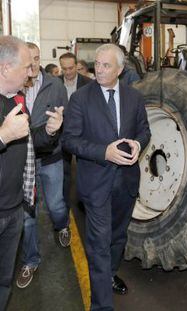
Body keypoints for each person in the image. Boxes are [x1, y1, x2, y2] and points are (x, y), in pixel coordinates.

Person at [62, 43, 150, 311]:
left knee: (117, 236)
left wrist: (138, 143)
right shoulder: (81, 98)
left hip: (126, 182)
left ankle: (109, 274)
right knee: (98, 244)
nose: (98, 69)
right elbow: (69, 141)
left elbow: (144, 130)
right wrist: (104, 152)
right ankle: (101, 306)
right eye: (97, 64)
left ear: (120, 70)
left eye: (106, 65)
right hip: (96, 183)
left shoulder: (135, 97)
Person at [0, 35, 63, 311]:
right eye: (26, 66)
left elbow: (26, 143)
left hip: (14, 208)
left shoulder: (16, 99)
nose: (31, 71)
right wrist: (2, 136)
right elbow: (8, 138)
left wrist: (49, 132)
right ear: (5, 68)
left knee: (3, 281)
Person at [15, 42, 70, 289]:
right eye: (29, 59)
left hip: (50, 158)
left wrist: (55, 133)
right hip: (22, 160)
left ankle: (62, 225)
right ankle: (31, 260)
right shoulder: (14, 86)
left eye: (37, 58)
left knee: (56, 204)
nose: (34, 63)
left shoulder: (55, 85)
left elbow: (62, 118)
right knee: (28, 214)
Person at [59, 52, 92, 207]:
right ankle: (65, 204)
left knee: (85, 170)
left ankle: (83, 202)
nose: (68, 72)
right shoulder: (55, 83)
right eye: (64, 68)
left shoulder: (88, 83)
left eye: (71, 68)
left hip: (83, 134)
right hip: (61, 134)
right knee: (64, 172)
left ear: (76, 65)